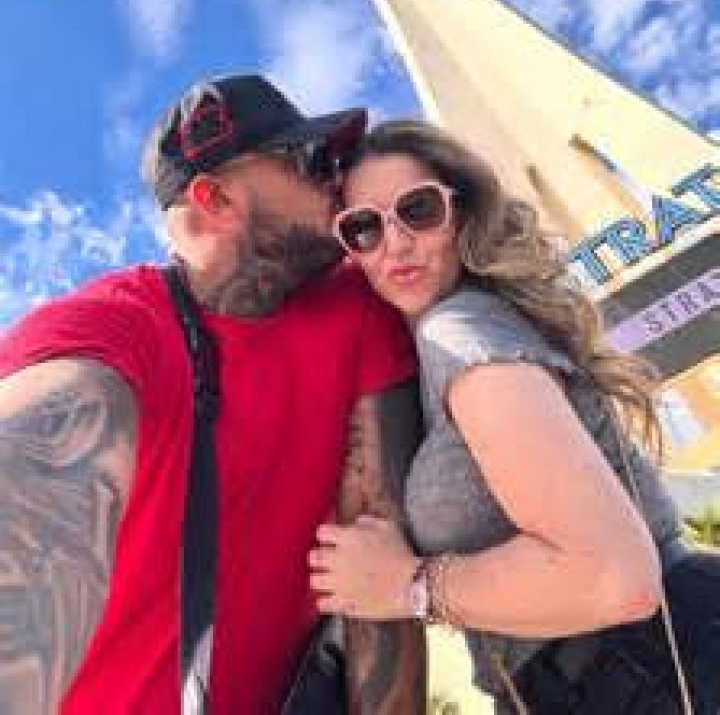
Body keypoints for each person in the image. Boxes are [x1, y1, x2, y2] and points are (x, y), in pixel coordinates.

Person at [0, 74, 427, 715]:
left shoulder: (352, 307)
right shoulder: (105, 331)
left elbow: (374, 565)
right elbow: (33, 480)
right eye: (311, 160)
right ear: (216, 198)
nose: (338, 178)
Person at [308, 118, 720, 715]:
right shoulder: (443, 346)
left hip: (651, 664)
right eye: (363, 228)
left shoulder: (459, 332)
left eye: (418, 210)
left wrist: (409, 585)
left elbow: (614, 577)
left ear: (462, 213)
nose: (394, 243)